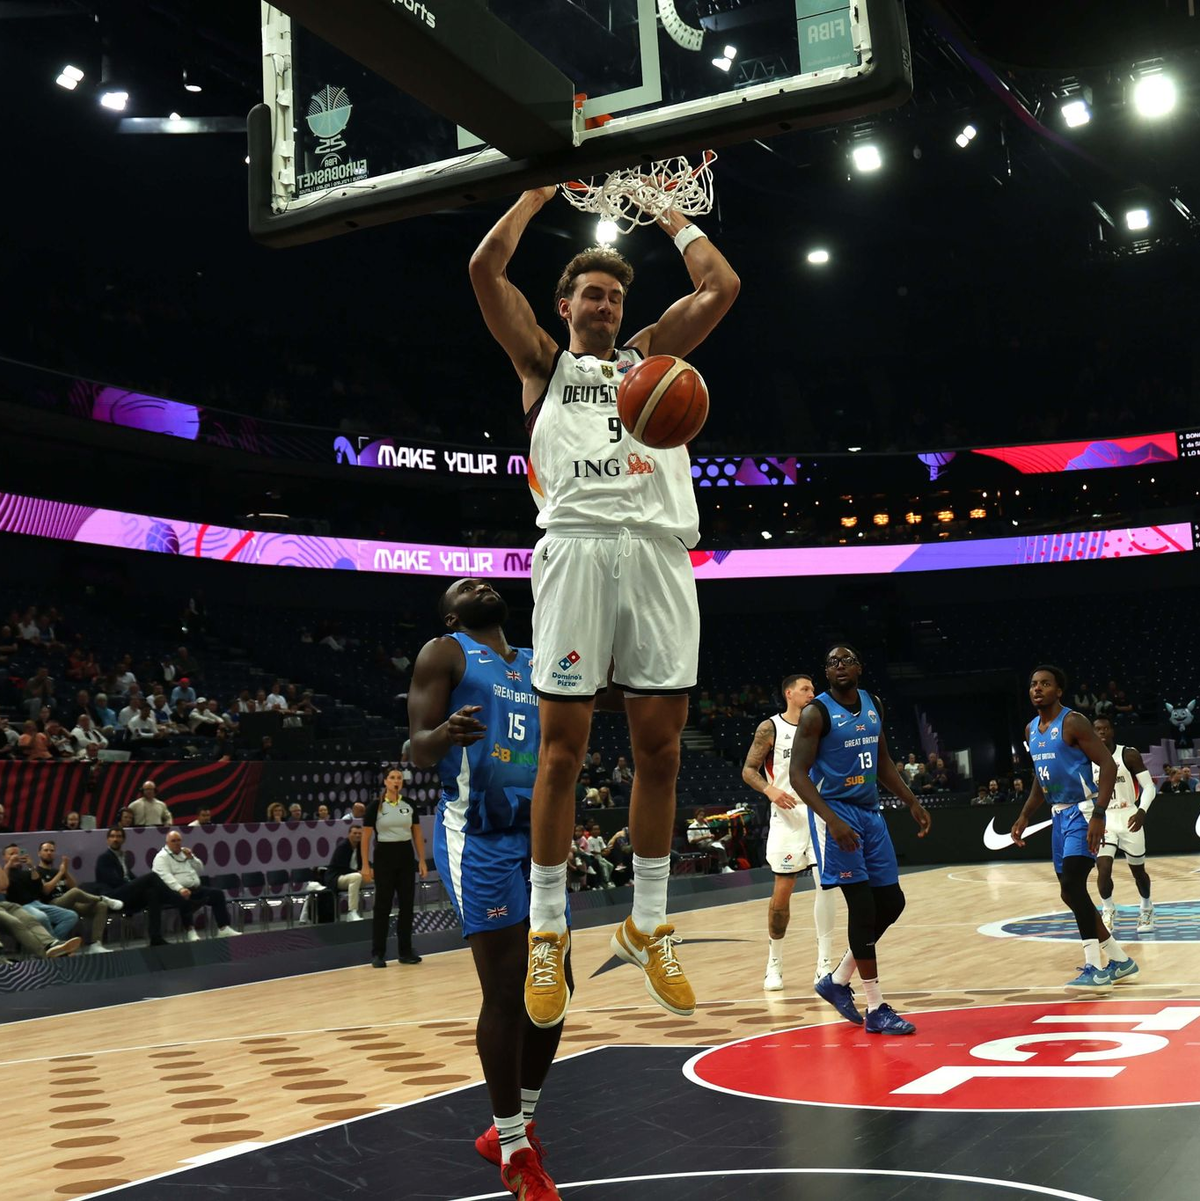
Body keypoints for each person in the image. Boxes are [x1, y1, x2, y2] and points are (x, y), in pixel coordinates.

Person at [469, 186, 739, 1039]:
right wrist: (537, 191)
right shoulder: (542, 365)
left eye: (616, 294)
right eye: (592, 292)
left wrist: (667, 211)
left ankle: (647, 921)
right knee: (563, 751)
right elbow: (484, 267)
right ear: (565, 303)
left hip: (660, 550)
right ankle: (549, 927)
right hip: (578, 548)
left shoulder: (652, 357)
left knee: (659, 747)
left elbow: (720, 288)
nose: (607, 302)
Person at [409, 576, 568, 1198]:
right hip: (478, 837)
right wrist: (443, 735)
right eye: (462, 587)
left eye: (481, 581)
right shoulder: (443, 653)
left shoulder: (536, 660)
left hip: (540, 837)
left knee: (554, 985)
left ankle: (516, 1124)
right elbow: (416, 747)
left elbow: (599, 701)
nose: (477, 584)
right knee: (506, 987)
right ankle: (513, 1152)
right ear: (451, 616)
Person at [788, 645, 932, 1035]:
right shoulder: (816, 713)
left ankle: (835, 981)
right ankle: (875, 1007)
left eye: (846, 660)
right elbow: (798, 775)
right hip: (836, 814)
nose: (839, 666)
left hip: (870, 813)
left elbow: (882, 760)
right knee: (862, 907)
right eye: (832, 662)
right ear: (826, 673)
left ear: (860, 668)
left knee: (893, 902)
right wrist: (831, 821)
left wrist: (911, 801)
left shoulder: (873, 704)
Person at [1011, 666, 1138, 988]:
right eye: (1033, 684)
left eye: (1045, 684)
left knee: (1072, 886)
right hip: (1058, 815)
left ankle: (1095, 967)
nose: (1037, 689)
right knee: (1071, 893)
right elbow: (1042, 779)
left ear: (1058, 691)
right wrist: (1025, 815)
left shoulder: (1073, 721)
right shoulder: (1030, 730)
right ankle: (1120, 960)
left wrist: (1098, 813)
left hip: (1083, 813)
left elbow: (1108, 764)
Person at [742, 673, 838, 992]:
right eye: (806, 689)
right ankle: (775, 961)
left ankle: (824, 964)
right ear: (789, 693)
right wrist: (770, 790)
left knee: (826, 887)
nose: (813, 693)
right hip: (787, 816)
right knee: (782, 892)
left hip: (820, 815)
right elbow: (749, 770)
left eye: (813, 688)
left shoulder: (821, 726)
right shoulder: (770, 728)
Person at [1091, 716, 1157, 934]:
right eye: (1097, 729)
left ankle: (1146, 906)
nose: (1101, 732)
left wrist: (1141, 811)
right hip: (1105, 819)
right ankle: (1108, 910)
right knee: (1103, 869)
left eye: (1105, 728)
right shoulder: (1087, 759)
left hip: (1129, 815)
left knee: (1138, 872)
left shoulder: (1128, 754)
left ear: (1112, 731)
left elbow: (1149, 787)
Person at [361, 767, 428, 967]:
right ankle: (378, 953)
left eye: (399, 778)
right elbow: (365, 837)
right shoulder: (376, 806)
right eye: (392, 778)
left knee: (407, 905)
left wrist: (422, 860)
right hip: (384, 856)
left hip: (406, 855)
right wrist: (365, 864)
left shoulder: (409, 805)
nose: (396, 781)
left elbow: (417, 833)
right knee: (383, 905)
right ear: (385, 782)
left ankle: (405, 951)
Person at [152, 829, 242, 941]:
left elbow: (200, 869)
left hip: (195, 889)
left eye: (179, 840)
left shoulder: (184, 853)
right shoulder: (161, 857)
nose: (177, 843)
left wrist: (191, 857)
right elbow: (165, 877)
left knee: (217, 894)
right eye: (173, 841)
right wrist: (180, 889)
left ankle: (223, 928)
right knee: (184, 898)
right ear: (167, 843)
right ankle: (190, 931)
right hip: (173, 892)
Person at [33, 840, 120, 952]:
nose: (49, 853)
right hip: (51, 905)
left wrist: (66, 871)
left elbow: (74, 886)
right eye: (46, 850)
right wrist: (60, 873)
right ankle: (103, 898)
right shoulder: (36, 871)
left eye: (52, 850)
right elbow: (45, 890)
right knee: (75, 893)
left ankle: (95, 944)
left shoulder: (57, 870)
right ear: (39, 853)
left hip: (69, 904)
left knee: (101, 906)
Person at [94, 826, 172, 946]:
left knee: (152, 893)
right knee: (152, 877)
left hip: (127, 895)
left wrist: (138, 885)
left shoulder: (123, 857)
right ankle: (179, 899)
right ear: (107, 840)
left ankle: (155, 937)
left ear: (123, 840)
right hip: (113, 896)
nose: (115, 839)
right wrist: (136, 886)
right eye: (112, 836)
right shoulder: (104, 858)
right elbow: (113, 881)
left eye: (119, 836)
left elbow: (130, 876)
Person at [327, 825, 365, 920]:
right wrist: (358, 872)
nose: (357, 835)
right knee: (357, 877)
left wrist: (371, 869)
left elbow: (365, 862)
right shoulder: (343, 847)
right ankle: (352, 912)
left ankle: (381, 908)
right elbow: (342, 868)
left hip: (354, 876)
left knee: (379, 876)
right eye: (355, 833)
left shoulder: (361, 846)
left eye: (359, 833)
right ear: (349, 834)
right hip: (337, 878)